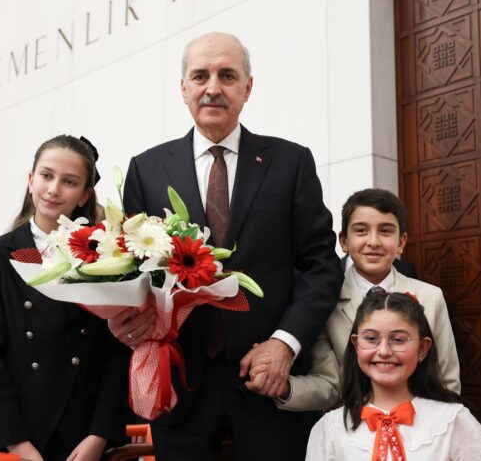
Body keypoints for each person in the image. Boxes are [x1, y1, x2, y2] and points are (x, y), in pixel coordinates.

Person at [109, 32, 343, 460]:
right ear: (183, 88)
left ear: (247, 87)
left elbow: (321, 266)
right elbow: (134, 271)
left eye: (227, 76)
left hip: (268, 381)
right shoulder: (146, 170)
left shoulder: (291, 163)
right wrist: (127, 323)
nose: (213, 88)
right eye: (200, 76)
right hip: (180, 385)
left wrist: (285, 343)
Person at [0, 135, 128, 461]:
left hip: (81, 436)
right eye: (46, 175)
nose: (54, 189)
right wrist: (17, 445)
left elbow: (115, 354)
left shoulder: (104, 253)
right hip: (14, 432)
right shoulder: (1, 253)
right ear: (31, 180)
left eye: (69, 182)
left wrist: (99, 435)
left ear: (84, 194)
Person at [254, 188, 460, 412]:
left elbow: (446, 379)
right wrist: (284, 387)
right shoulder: (327, 301)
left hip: (419, 421)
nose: (373, 241)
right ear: (343, 240)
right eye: (361, 231)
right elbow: (330, 386)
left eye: (385, 231)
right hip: (353, 423)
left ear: (401, 242)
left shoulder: (431, 297)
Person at [306, 292, 481, 460]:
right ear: (356, 345)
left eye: (399, 339)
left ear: (423, 348)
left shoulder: (452, 420)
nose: (384, 351)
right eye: (371, 338)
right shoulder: (330, 428)